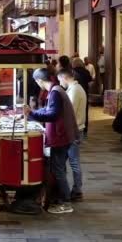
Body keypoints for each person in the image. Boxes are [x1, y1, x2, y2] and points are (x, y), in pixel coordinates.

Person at [23, 68, 77, 214]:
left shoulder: (55, 92)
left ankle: (66, 202)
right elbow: (48, 109)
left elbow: (52, 114)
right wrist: (33, 113)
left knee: (58, 170)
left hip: (61, 137)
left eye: (36, 82)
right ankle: (60, 198)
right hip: (63, 136)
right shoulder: (56, 90)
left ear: (40, 80)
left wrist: (33, 114)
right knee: (59, 169)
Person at [57, 69, 86, 201]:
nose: (59, 82)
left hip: (74, 130)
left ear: (64, 77)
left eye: (59, 80)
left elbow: (70, 111)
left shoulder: (74, 90)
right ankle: (67, 189)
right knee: (68, 161)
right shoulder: (76, 88)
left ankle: (77, 190)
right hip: (75, 129)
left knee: (73, 162)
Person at [72, 58, 92, 136]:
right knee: (85, 110)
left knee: (75, 110)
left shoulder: (73, 71)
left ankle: (76, 128)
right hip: (85, 92)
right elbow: (90, 79)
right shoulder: (86, 71)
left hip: (76, 91)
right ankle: (85, 129)